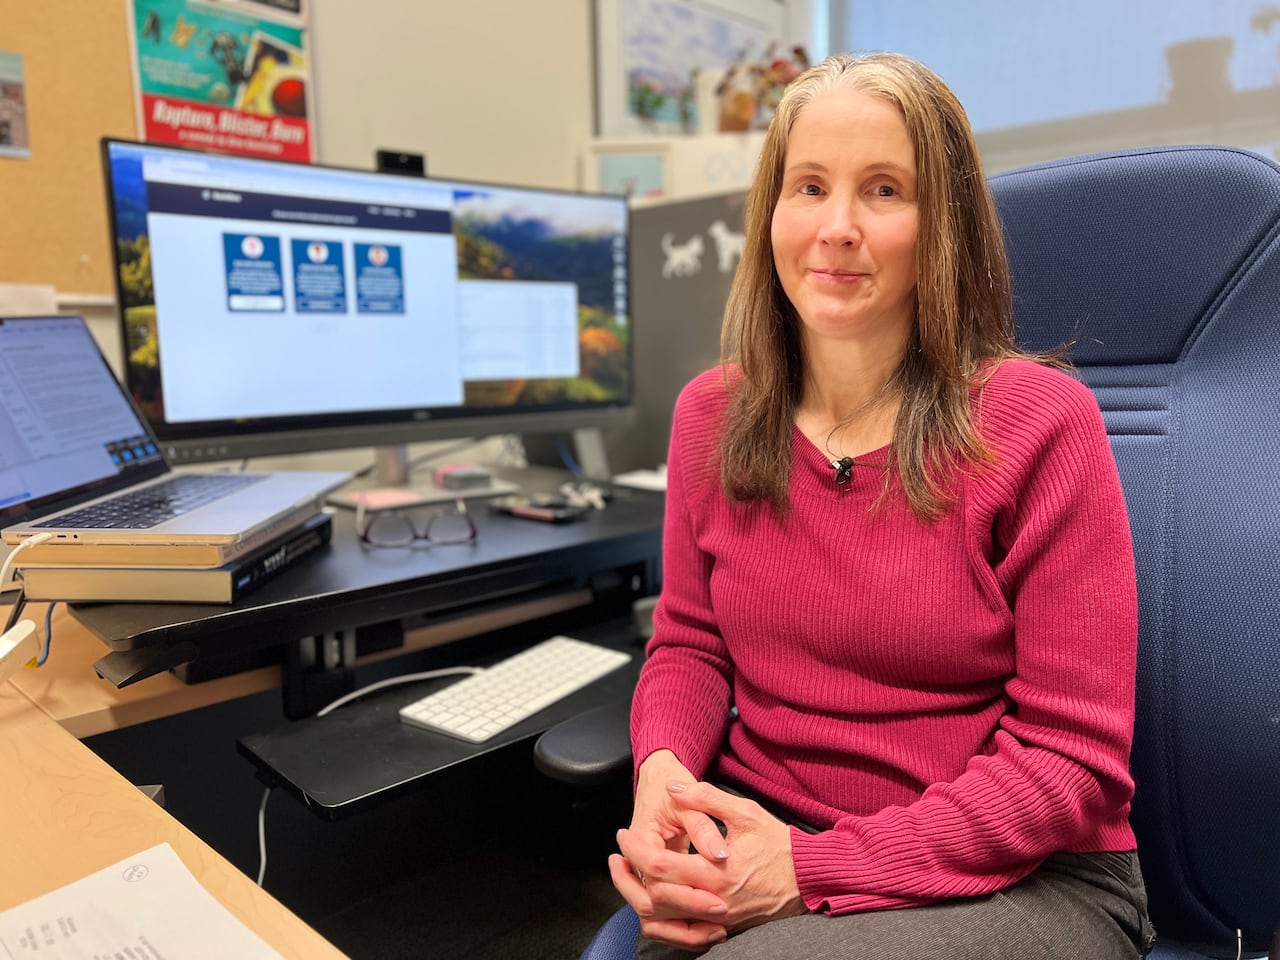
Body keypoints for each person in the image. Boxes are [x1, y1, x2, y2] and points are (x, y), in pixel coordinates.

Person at [608, 51, 1156, 960]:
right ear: (770, 213)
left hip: (1021, 872)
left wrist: (812, 873)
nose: (838, 227)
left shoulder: (1039, 426)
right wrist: (664, 776)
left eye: (885, 191)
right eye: (810, 186)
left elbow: (1071, 763)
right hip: (769, 837)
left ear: (942, 225)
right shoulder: (713, 415)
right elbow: (689, 644)